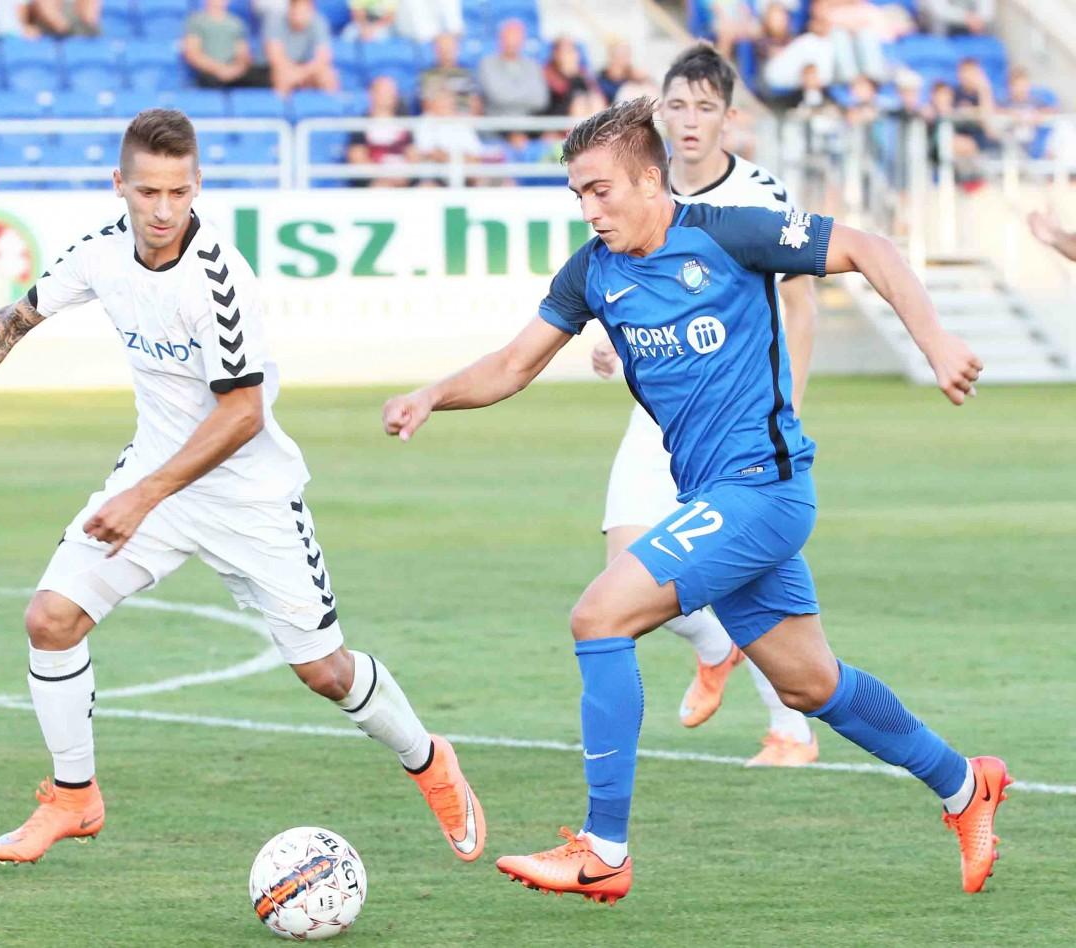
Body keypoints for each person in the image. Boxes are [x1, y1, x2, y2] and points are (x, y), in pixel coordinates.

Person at [382, 96, 1008, 903]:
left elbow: (868, 246)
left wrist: (936, 341)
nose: (589, 209)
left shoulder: (728, 233)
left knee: (598, 617)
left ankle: (603, 849)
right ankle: (964, 784)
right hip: (715, 499)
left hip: (764, 490)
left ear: (650, 181)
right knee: (809, 685)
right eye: (578, 194)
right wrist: (432, 394)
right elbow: (512, 365)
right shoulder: (592, 272)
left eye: (601, 190)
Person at [0, 108, 486, 868]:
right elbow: (16, 319)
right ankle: (74, 798)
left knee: (325, 671)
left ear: (198, 185)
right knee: (50, 619)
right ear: (119, 185)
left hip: (249, 498)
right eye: (148, 192)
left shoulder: (218, 279)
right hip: (153, 481)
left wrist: (143, 496)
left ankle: (429, 760)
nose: (163, 210)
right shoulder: (100, 254)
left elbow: (242, 415)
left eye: (178, 192)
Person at [588, 44, 820, 767]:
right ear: (660, 111)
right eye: (678, 106)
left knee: (751, 576)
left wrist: (787, 406)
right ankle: (717, 647)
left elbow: (800, 304)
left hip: (744, 416)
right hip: (662, 413)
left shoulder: (759, 195)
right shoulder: (635, 187)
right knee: (624, 569)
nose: (690, 121)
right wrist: (613, 344)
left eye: (705, 107)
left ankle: (791, 732)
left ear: (729, 116)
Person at [184, 0, 270, 89]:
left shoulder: (236, 23)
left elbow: (243, 54)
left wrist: (236, 69)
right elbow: (193, 53)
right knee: (211, 80)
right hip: (210, 72)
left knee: (265, 76)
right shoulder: (196, 22)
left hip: (235, 71)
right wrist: (219, 69)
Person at [347, 74, 415, 186]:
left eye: (391, 92)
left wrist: (403, 178)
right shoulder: (360, 125)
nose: (388, 95)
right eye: (383, 91)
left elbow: (413, 155)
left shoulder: (405, 123)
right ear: (372, 94)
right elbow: (357, 158)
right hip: (376, 182)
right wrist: (383, 177)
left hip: (403, 180)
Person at [263, 0, 338, 96]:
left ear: (310, 11)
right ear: (289, 9)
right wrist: (293, 72)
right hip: (284, 67)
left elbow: (323, 57)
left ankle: (330, 104)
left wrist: (301, 73)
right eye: (295, 11)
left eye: (303, 11)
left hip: (308, 68)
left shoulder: (319, 21)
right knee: (281, 76)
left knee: (328, 76)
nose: (298, 16)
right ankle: (282, 104)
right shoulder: (275, 21)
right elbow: (275, 57)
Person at [477, 18, 547, 117]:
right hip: (497, 123)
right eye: (509, 37)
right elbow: (498, 97)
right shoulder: (487, 64)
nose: (512, 42)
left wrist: (510, 92)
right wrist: (527, 95)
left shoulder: (533, 65)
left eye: (516, 37)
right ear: (500, 39)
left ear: (523, 40)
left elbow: (540, 100)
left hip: (528, 123)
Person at [420, 31, 480, 116]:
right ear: (435, 50)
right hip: (437, 120)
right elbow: (428, 106)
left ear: (457, 48)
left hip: (463, 119)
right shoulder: (428, 75)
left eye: (449, 47)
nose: (446, 51)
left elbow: (475, 106)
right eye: (442, 47)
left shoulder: (466, 74)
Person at [543, 36, 604, 117]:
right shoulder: (548, 71)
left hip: (581, 108)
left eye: (572, 50)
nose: (570, 55)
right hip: (556, 111)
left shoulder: (582, 72)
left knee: (595, 101)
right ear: (555, 54)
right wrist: (569, 73)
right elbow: (560, 92)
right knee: (579, 103)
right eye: (565, 51)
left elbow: (597, 93)